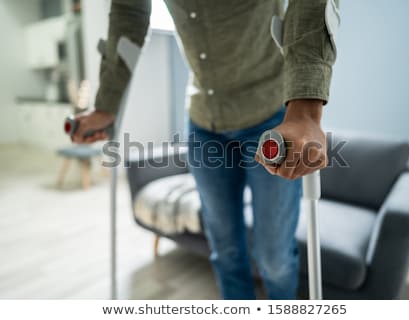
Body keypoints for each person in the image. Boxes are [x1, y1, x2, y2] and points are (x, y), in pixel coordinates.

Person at [72, 0, 339, 299]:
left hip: (272, 117)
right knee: (224, 251)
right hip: (204, 120)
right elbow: (128, 11)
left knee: (274, 258)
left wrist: (305, 107)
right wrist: (106, 104)